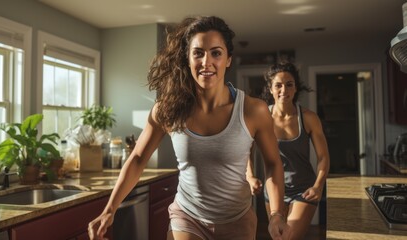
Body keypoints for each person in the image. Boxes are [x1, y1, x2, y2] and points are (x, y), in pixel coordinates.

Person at [88, 16, 290, 240]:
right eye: (198, 53)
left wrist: (276, 214)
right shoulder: (168, 110)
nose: (206, 62)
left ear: (228, 59)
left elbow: (272, 163)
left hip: (237, 219)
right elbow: (137, 158)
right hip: (187, 216)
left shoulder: (253, 110)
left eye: (216, 53)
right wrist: (109, 209)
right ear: (187, 58)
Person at [247, 62, 330, 240]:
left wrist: (318, 186)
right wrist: (250, 176)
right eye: (278, 85)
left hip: (304, 189)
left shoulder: (308, 118)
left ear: (295, 88)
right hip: (274, 190)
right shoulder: (262, 118)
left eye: (289, 84)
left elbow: (323, 157)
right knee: (278, 236)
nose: (283, 90)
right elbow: (247, 150)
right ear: (270, 89)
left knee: (288, 237)